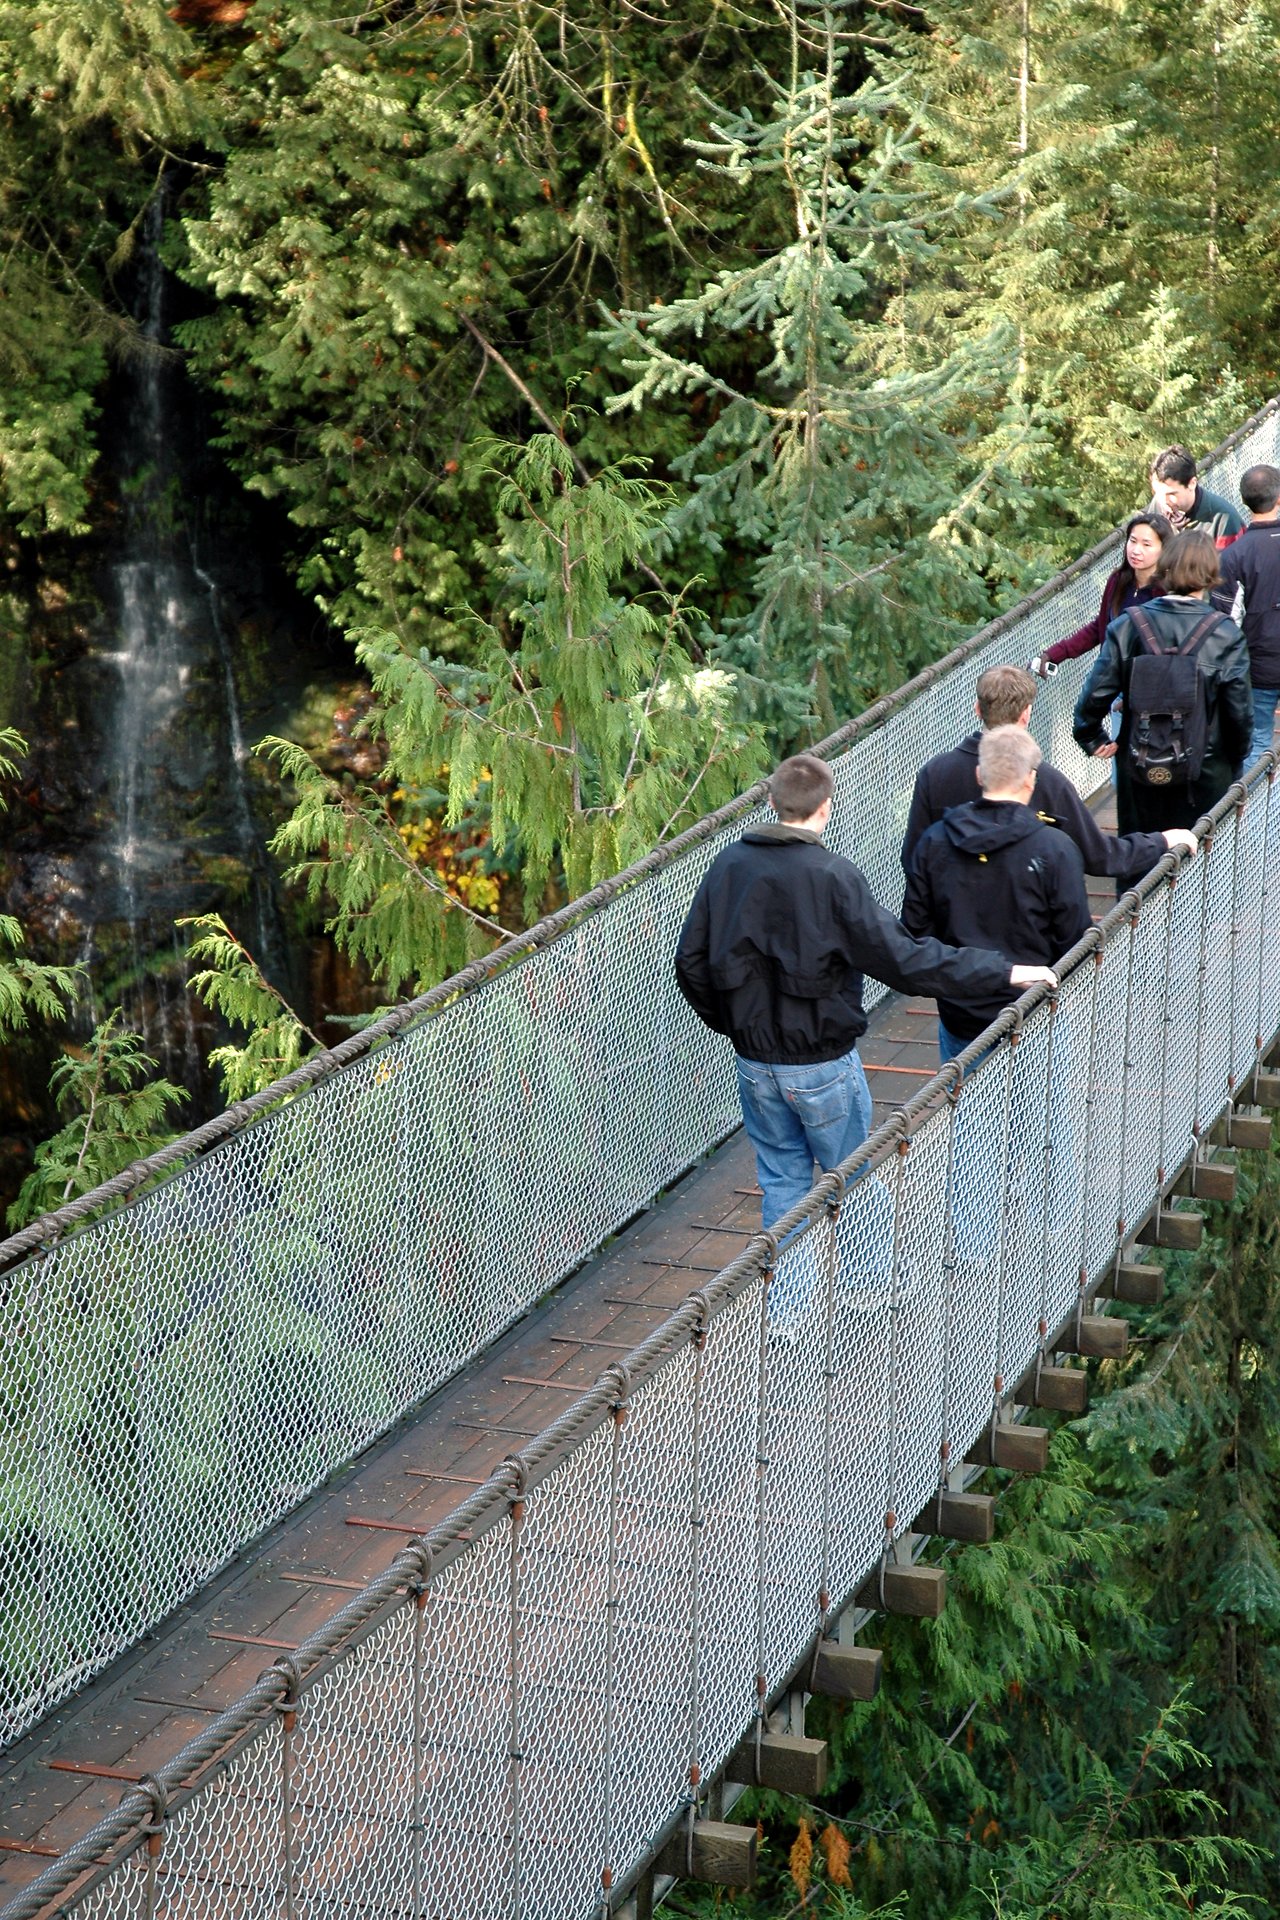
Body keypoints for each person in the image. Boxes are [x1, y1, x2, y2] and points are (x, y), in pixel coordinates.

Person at [674, 752, 1056, 1254]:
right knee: (851, 1180)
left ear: (770, 802)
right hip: (823, 1065)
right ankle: (866, 1304)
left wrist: (736, 1025)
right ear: (826, 807)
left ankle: (789, 1320)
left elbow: (691, 963)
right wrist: (1003, 971)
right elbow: (904, 959)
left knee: (784, 1187)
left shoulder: (729, 865)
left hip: (755, 1062)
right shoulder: (833, 877)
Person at [901, 727, 1093, 1063]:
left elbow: (916, 932)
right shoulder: (1054, 847)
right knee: (1041, 1113)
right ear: (1031, 781)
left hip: (960, 1013)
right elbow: (1074, 938)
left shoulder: (933, 843)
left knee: (967, 1108)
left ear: (979, 774)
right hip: (1034, 1010)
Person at [900, 664, 1187, 889]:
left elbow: (913, 858)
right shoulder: (1046, 781)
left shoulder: (934, 774)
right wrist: (1161, 841)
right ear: (1026, 714)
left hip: (949, 942)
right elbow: (1100, 857)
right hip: (1025, 940)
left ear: (977, 709)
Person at [1073, 527, 1253, 833]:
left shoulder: (1127, 626)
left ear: (1164, 569)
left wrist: (1090, 736)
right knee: (1200, 866)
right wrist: (1233, 764)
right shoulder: (1226, 635)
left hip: (1139, 764)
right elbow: (1239, 714)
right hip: (1205, 772)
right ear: (1210, 573)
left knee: (1139, 858)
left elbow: (1096, 693)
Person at [1028, 510, 1171, 680]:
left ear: (1164, 549)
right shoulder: (1118, 580)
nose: (1136, 550)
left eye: (1146, 544)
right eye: (1132, 541)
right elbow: (1100, 627)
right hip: (1111, 676)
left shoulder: (1168, 592)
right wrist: (1055, 654)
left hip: (1149, 684)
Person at [1213, 463, 1280, 766]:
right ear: (1279, 497)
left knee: (1257, 743)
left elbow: (1223, 620)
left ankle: (1254, 810)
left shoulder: (1232, 557)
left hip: (1258, 667)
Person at [1148, 444, 1242, 549]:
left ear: (1192, 483)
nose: (1164, 501)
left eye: (1171, 494)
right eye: (1158, 493)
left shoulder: (1224, 519)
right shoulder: (1158, 505)